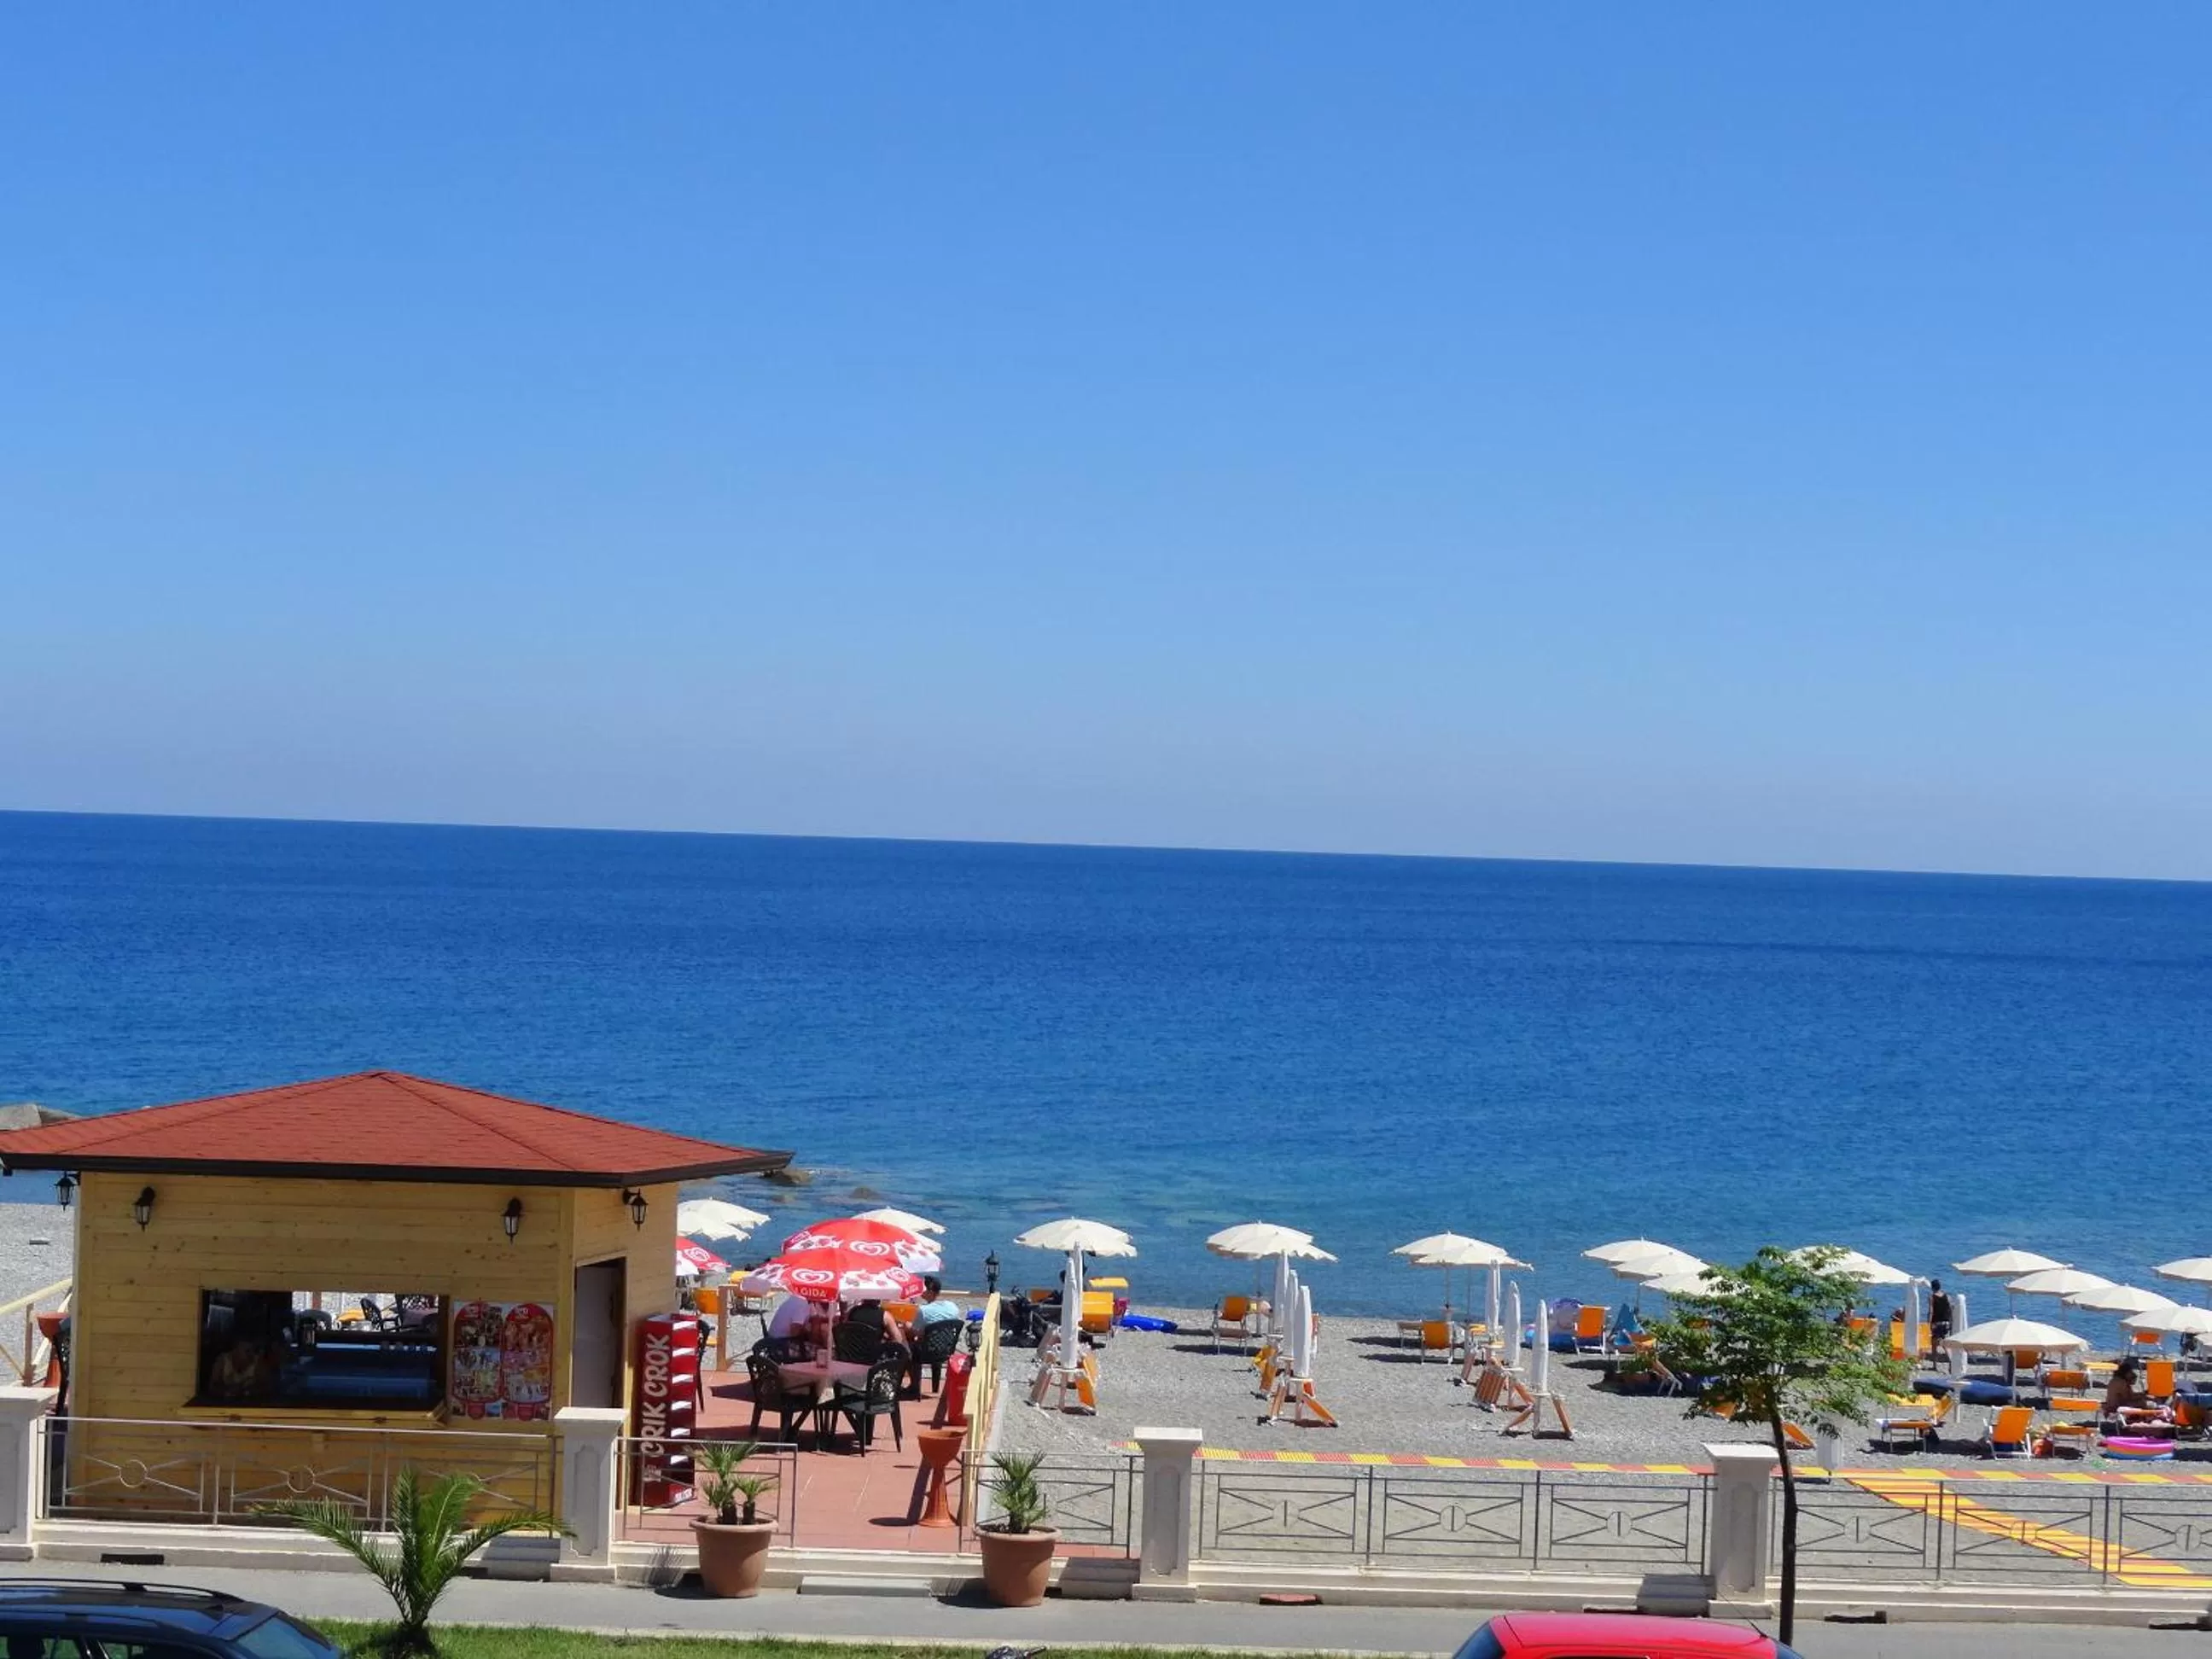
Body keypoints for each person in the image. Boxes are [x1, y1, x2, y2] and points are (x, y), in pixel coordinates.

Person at [1928, 1279, 1954, 1347]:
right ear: (1940, 1287)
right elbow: (1951, 1309)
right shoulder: (1948, 1296)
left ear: (1932, 1287)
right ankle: (1947, 1356)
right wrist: (1951, 1322)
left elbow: (1931, 1311)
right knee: (1942, 1341)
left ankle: (1935, 1356)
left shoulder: (1932, 1297)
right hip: (1946, 1323)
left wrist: (1929, 1323)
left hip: (1937, 1323)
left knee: (1934, 1341)